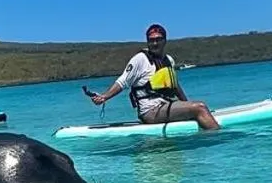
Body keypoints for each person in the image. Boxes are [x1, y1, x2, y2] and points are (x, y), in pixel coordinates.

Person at [91, 24, 220, 129]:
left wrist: (187, 105)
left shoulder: (168, 60)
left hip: (167, 105)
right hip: (150, 111)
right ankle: (218, 139)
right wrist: (104, 97)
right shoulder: (140, 59)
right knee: (200, 107)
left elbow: (175, 86)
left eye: (158, 39)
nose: (155, 43)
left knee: (196, 107)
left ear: (165, 41)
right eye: (151, 40)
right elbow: (122, 81)